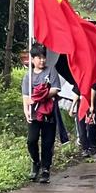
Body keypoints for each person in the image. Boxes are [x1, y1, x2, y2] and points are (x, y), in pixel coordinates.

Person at [22, 44, 61, 183]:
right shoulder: (28, 76)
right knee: (31, 140)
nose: (42, 60)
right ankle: (35, 162)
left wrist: (41, 94)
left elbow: (55, 89)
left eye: (43, 57)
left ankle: (45, 168)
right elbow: (26, 97)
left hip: (48, 113)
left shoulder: (51, 71)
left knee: (47, 142)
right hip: (34, 113)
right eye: (38, 57)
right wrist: (26, 111)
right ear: (32, 59)